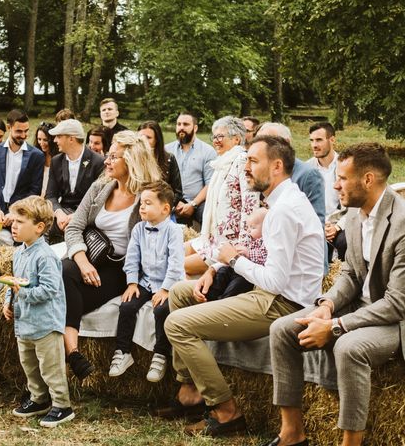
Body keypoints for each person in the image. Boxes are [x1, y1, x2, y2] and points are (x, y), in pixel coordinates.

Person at [265, 143, 405, 446]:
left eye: (343, 178)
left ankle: (351, 443)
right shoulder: (356, 214)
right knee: (282, 329)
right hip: (367, 304)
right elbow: (351, 273)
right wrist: (326, 305)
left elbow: (397, 304)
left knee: (349, 347)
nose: (335, 184)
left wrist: (334, 327)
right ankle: (292, 433)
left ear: (368, 179)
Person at [156, 136, 324, 438]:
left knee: (177, 325)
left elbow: (275, 281)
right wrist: (216, 266)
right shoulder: (279, 202)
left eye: (252, 161)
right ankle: (190, 390)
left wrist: (232, 259)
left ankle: (226, 411)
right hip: (271, 293)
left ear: (276, 166)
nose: (245, 167)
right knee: (182, 292)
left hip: (283, 303)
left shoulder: (284, 210)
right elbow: (259, 254)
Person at [61, 131, 161, 380]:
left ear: (132, 160)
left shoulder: (148, 197)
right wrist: (82, 261)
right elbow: (74, 227)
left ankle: (67, 353)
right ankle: (73, 352)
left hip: (120, 268)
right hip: (89, 256)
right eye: (108, 156)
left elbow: (156, 241)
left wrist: (136, 279)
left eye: (113, 157)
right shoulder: (100, 187)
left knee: (62, 295)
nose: (106, 161)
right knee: (62, 271)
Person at [3, 196, 75, 428]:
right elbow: (14, 281)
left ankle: (62, 405)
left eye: (20, 221)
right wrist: (8, 301)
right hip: (24, 322)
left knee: (50, 366)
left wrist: (21, 294)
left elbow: (49, 289)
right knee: (30, 365)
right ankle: (38, 398)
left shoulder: (45, 256)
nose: (13, 225)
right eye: (13, 220)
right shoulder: (18, 253)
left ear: (39, 227)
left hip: (45, 324)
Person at [109, 181, 184, 383]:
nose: (141, 207)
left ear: (165, 208)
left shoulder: (174, 231)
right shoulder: (139, 229)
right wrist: (132, 283)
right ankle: (123, 351)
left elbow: (176, 264)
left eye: (148, 203)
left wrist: (167, 289)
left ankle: (160, 354)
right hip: (146, 282)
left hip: (170, 284)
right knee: (126, 307)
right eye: (141, 203)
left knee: (161, 311)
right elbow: (131, 259)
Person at [183, 116, 261, 276]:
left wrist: (241, 248)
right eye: (214, 137)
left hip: (230, 243)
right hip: (212, 237)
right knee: (174, 253)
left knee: (180, 264)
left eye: (221, 136)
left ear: (237, 139)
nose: (216, 141)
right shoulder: (221, 163)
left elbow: (250, 205)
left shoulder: (241, 160)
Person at [0, 109, 45, 234]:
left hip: (22, 213)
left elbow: (34, 191)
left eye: (26, 131)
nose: (23, 135)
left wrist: (15, 212)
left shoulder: (36, 156)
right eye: (19, 131)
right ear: (9, 127)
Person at [45, 119, 105, 241]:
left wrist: (77, 216)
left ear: (71, 139)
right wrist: (59, 213)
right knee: (41, 227)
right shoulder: (56, 161)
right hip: (63, 211)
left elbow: (100, 200)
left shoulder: (98, 162)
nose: (55, 140)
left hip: (88, 214)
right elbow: (50, 195)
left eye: (58, 136)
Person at [306, 122, 349, 262]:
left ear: (332, 140)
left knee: (344, 241)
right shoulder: (307, 169)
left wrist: (337, 227)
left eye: (319, 140)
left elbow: (355, 206)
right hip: (314, 223)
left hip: (339, 222)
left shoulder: (346, 166)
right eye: (311, 140)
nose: (314, 145)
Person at [205, 207, 267, 301]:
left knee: (238, 285)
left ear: (266, 228)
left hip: (248, 275)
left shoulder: (264, 242)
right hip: (236, 268)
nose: (249, 230)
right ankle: (210, 295)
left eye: (253, 228)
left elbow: (263, 257)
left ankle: (223, 301)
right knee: (222, 272)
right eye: (249, 227)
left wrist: (249, 253)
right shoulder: (249, 239)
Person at [165, 112, 216, 226]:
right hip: (172, 199)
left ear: (195, 127)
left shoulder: (208, 151)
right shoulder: (167, 150)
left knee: (209, 216)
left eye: (186, 124)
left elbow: (210, 184)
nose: (181, 127)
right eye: (179, 124)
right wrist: (173, 202)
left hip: (198, 201)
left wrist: (193, 204)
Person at [137, 120, 183, 206]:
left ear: (157, 140)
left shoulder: (169, 159)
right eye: (141, 137)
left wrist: (165, 207)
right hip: (137, 205)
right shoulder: (132, 159)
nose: (143, 140)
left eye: (148, 137)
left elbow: (177, 192)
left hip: (161, 207)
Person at [34, 122, 60, 198]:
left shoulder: (59, 158)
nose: (41, 143)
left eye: (45, 140)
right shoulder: (36, 156)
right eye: (39, 139)